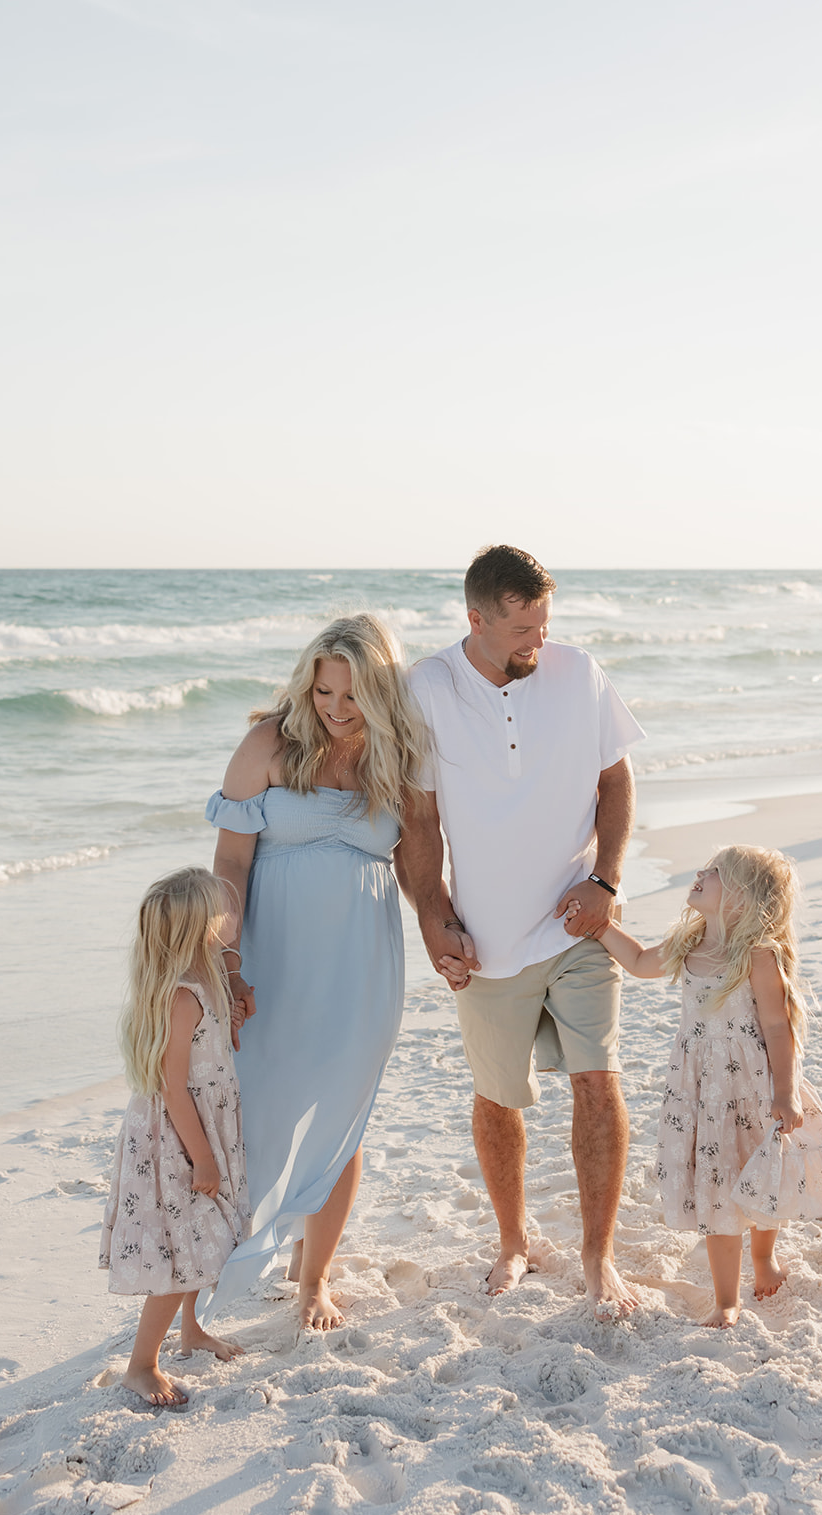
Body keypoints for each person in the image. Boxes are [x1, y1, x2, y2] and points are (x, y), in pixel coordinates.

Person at [398, 545, 645, 1320]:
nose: (538, 642)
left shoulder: (578, 674)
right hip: (489, 940)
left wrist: (604, 881)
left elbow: (615, 779)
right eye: (521, 631)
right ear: (475, 620)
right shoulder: (428, 690)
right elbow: (419, 819)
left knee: (598, 1085)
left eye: (544, 624)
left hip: (579, 927)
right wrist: (434, 916)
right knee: (497, 1099)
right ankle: (512, 1240)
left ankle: (597, 1257)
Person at [205, 614, 428, 1331]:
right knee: (256, 1103)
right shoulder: (271, 743)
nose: (335, 708)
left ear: (382, 694)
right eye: (325, 691)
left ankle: (314, 1278)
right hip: (272, 956)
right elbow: (231, 863)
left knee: (341, 1116)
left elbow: (423, 861)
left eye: (353, 696)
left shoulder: (398, 756)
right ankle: (227, 1252)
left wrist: (448, 924)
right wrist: (227, 959)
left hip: (362, 961)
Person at [578, 844, 822, 1328]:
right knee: (718, 1189)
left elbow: (777, 1027)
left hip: (751, 1085)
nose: (699, 874)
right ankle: (726, 1300)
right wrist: (601, 927)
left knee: (758, 1174)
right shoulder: (689, 943)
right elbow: (642, 961)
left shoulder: (758, 955)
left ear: (743, 898)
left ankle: (765, 1257)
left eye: (714, 873)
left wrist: (786, 1091)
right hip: (701, 1089)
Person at [99, 866, 251, 1407]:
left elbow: (214, 1051)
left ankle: (192, 1330)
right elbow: (171, 1085)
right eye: (222, 910)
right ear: (200, 928)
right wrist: (203, 1157)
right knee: (184, 1248)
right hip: (178, 1137)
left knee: (203, 1239)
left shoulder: (208, 973)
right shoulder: (181, 995)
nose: (232, 916)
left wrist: (231, 1014)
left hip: (205, 1125)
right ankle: (141, 1364)